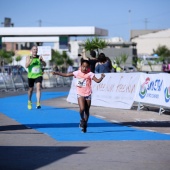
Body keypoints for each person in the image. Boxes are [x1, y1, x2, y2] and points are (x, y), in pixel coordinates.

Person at [53, 60, 105, 133]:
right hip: (80, 93)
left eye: (86, 67)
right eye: (83, 67)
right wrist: (57, 73)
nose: (84, 68)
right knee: (82, 109)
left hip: (88, 94)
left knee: (87, 110)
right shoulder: (77, 73)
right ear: (81, 66)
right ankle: (82, 120)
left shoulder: (90, 74)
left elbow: (97, 81)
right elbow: (66, 75)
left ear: (89, 67)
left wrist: (101, 77)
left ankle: (85, 124)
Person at [25, 45, 46, 110]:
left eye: (36, 49)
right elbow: (26, 66)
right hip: (31, 76)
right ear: (31, 50)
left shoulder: (39, 57)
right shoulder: (28, 57)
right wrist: (31, 61)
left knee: (38, 87)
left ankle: (38, 103)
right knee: (30, 89)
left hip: (38, 75)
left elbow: (45, 64)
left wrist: (42, 61)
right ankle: (29, 101)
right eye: (34, 49)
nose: (35, 50)